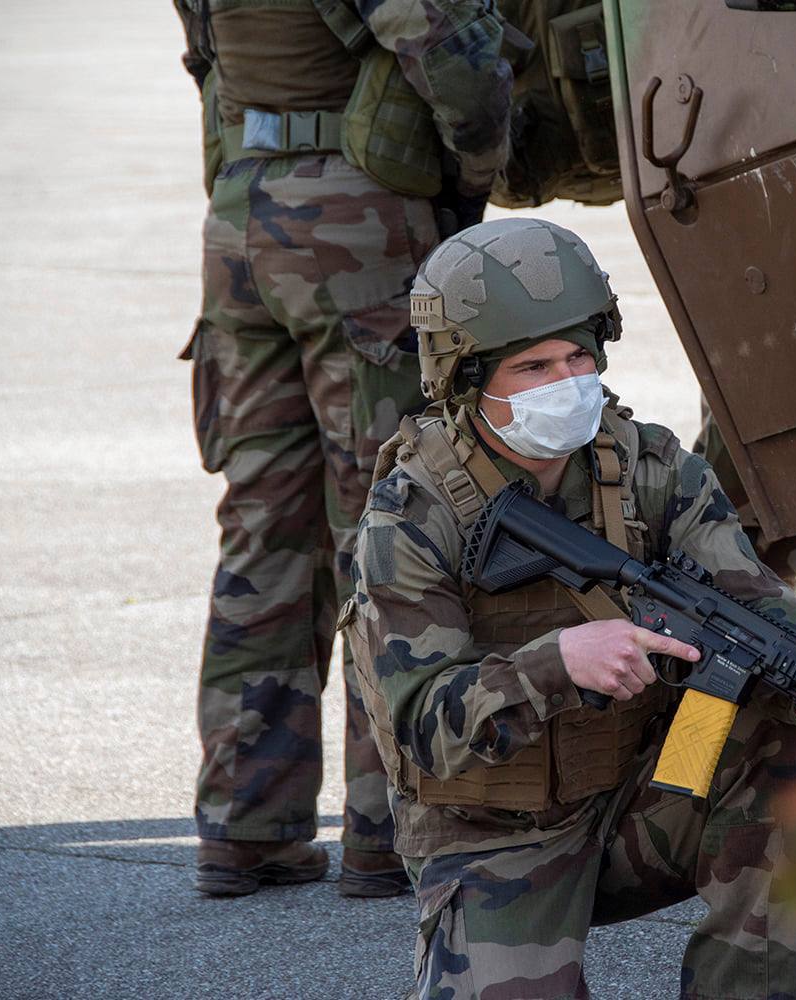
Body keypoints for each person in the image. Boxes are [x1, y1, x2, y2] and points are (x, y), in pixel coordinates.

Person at [342, 217, 796, 998]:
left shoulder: (652, 466)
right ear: (465, 377)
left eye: (578, 357)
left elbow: (759, 612)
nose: (565, 382)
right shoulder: (414, 518)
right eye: (532, 366)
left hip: (651, 795)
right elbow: (423, 727)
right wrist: (554, 666)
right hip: (496, 835)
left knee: (787, 755)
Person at [171, 0, 513, 897]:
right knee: (386, 525)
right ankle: (386, 828)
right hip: (356, 228)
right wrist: (465, 193)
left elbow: (202, 59)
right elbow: (457, 61)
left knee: (261, 529)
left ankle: (246, 827)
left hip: (239, 223)